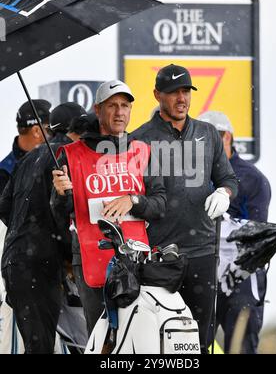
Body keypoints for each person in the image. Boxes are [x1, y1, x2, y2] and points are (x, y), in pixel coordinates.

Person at [131, 64, 238, 353]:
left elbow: (228, 178)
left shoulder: (208, 133)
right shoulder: (139, 139)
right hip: (158, 256)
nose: (181, 98)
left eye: (186, 91)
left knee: (200, 341)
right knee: (158, 341)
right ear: (157, 95)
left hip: (202, 252)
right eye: (173, 92)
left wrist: (224, 192)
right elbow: (132, 196)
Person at [51, 80, 166, 336]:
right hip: (91, 256)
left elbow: (160, 205)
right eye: (112, 105)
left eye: (125, 105)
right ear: (98, 109)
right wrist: (60, 195)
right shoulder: (70, 154)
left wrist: (133, 201)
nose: (119, 112)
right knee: (99, 337)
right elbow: (59, 213)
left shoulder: (142, 151)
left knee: (139, 336)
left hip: (136, 259)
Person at [0, 102, 89, 354]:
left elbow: (4, 207)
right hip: (40, 264)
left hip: (16, 262)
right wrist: (62, 249)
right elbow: (62, 214)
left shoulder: (28, 157)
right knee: (41, 347)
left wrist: (25, 232)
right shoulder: (67, 155)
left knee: (38, 344)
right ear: (78, 130)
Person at [198, 110, 271, 354]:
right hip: (203, 272)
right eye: (203, 139)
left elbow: (257, 235)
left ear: (228, 136)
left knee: (241, 344)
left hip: (242, 275)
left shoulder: (252, 178)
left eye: (216, 136)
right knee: (193, 344)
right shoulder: (191, 177)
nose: (210, 144)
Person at [0, 99, 51, 195]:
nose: (54, 133)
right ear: (36, 131)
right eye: (49, 127)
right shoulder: (5, 172)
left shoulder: (55, 157)